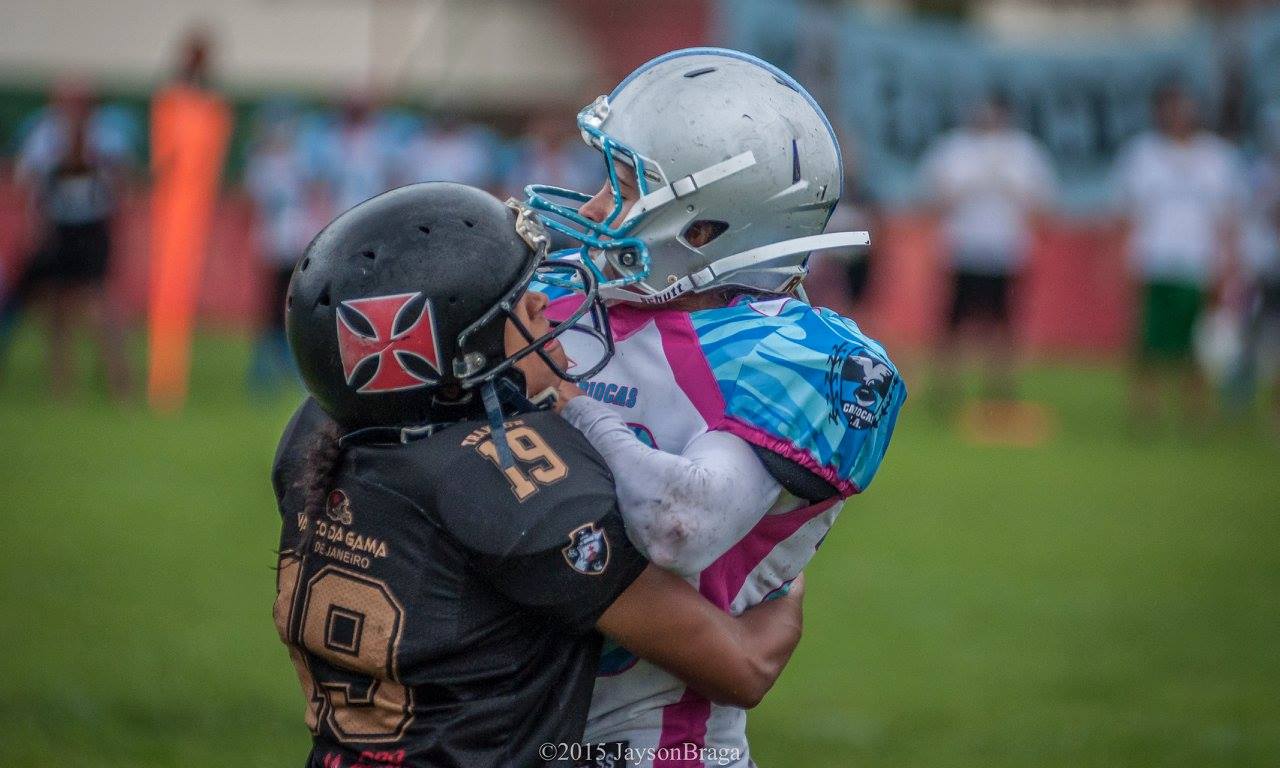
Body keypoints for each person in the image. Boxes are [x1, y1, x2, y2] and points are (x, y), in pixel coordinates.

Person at [274, 182, 807, 768]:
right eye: (521, 306)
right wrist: (785, 587)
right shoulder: (511, 478)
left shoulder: (313, 438)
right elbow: (741, 668)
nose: (545, 312)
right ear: (463, 351)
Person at [526, 48, 905, 767]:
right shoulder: (559, 300)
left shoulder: (793, 356)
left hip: (656, 749)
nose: (598, 207)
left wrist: (563, 399)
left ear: (702, 231)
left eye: (626, 186)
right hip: (494, 731)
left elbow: (680, 526)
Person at [1112, 81, 1246, 431]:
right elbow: (1127, 215)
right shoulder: (1142, 155)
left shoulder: (1217, 158)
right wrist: (1125, 262)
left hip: (1200, 264)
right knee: (1148, 342)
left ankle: (1196, 411)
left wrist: (1228, 265)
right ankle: (1146, 409)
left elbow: (1228, 219)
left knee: (1199, 344)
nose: (1177, 117)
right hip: (1155, 261)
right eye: (1170, 109)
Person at [918, 90, 1055, 411]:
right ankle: (945, 390)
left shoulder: (1023, 151)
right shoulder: (954, 149)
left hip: (1005, 251)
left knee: (1004, 325)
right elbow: (933, 199)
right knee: (952, 323)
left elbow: (1042, 203)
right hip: (963, 248)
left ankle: (1000, 391)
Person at [5, 80, 133, 399]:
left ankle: (120, 381)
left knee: (98, 306)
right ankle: (62, 384)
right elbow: (28, 178)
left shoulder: (107, 133)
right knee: (58, 308)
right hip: (59, 225)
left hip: (91, 226)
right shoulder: (44, 133)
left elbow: (121, 179)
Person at [244, 100, 315, 394]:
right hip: (273, 242)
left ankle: (296, 367)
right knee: (271, 306)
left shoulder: (300, 159)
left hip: (296, 238)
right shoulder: (261, 163)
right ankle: (265, 369)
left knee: (297, 304)